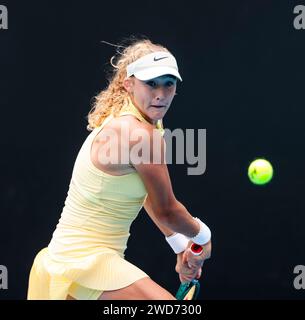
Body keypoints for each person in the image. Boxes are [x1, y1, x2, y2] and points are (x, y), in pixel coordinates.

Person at [27, 37, 212, 300]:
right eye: (151, 83)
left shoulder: (132, 122)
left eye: (168, 84)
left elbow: (145, 194)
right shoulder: (139, 134)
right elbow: (167, 210)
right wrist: (203, 236)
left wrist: (180, 244)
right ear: (129, 84)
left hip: (70, 264)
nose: (160, 94)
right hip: (85, 265)